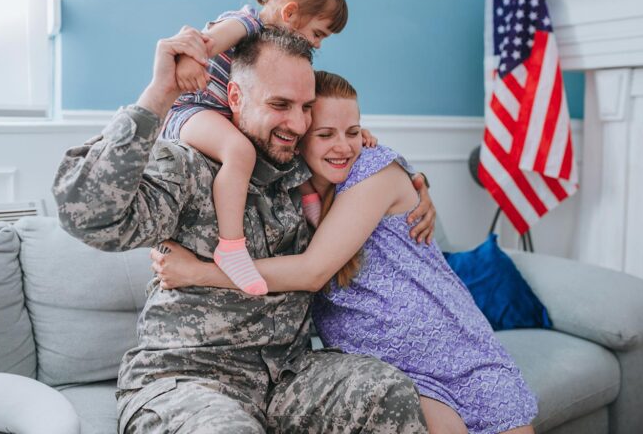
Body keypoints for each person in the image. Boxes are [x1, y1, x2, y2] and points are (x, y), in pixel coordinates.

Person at [53, 27, 436, 433]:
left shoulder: (307, 172)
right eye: (279, 104)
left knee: (386, 392)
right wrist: (158, 95)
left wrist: (416, 183)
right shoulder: (189, 167)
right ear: (235, 98)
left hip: (288, 377)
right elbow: (88, 215)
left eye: (306, 107)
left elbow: (360, 158)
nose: (297, 122)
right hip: (189, 380)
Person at [151, 71, 539, 434]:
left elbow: (311, 272)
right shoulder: (290, 198)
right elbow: (203, 118)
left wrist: (199, 272)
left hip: (456, 355)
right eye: (326, 134)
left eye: (353, 131)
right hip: (390, 374)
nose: (343, 146)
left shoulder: (373, 167)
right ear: (299, 135)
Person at [163, 0, 350, 296]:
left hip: (219, 113)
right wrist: (191, 62)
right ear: (290, 13)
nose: (318, 44)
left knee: (293, 138)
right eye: (318, 33)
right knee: (239, 150)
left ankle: (309, 200)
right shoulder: (246, 23)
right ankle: (231, 245)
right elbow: (206, 44)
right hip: (192, 110)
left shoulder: (280, 55)